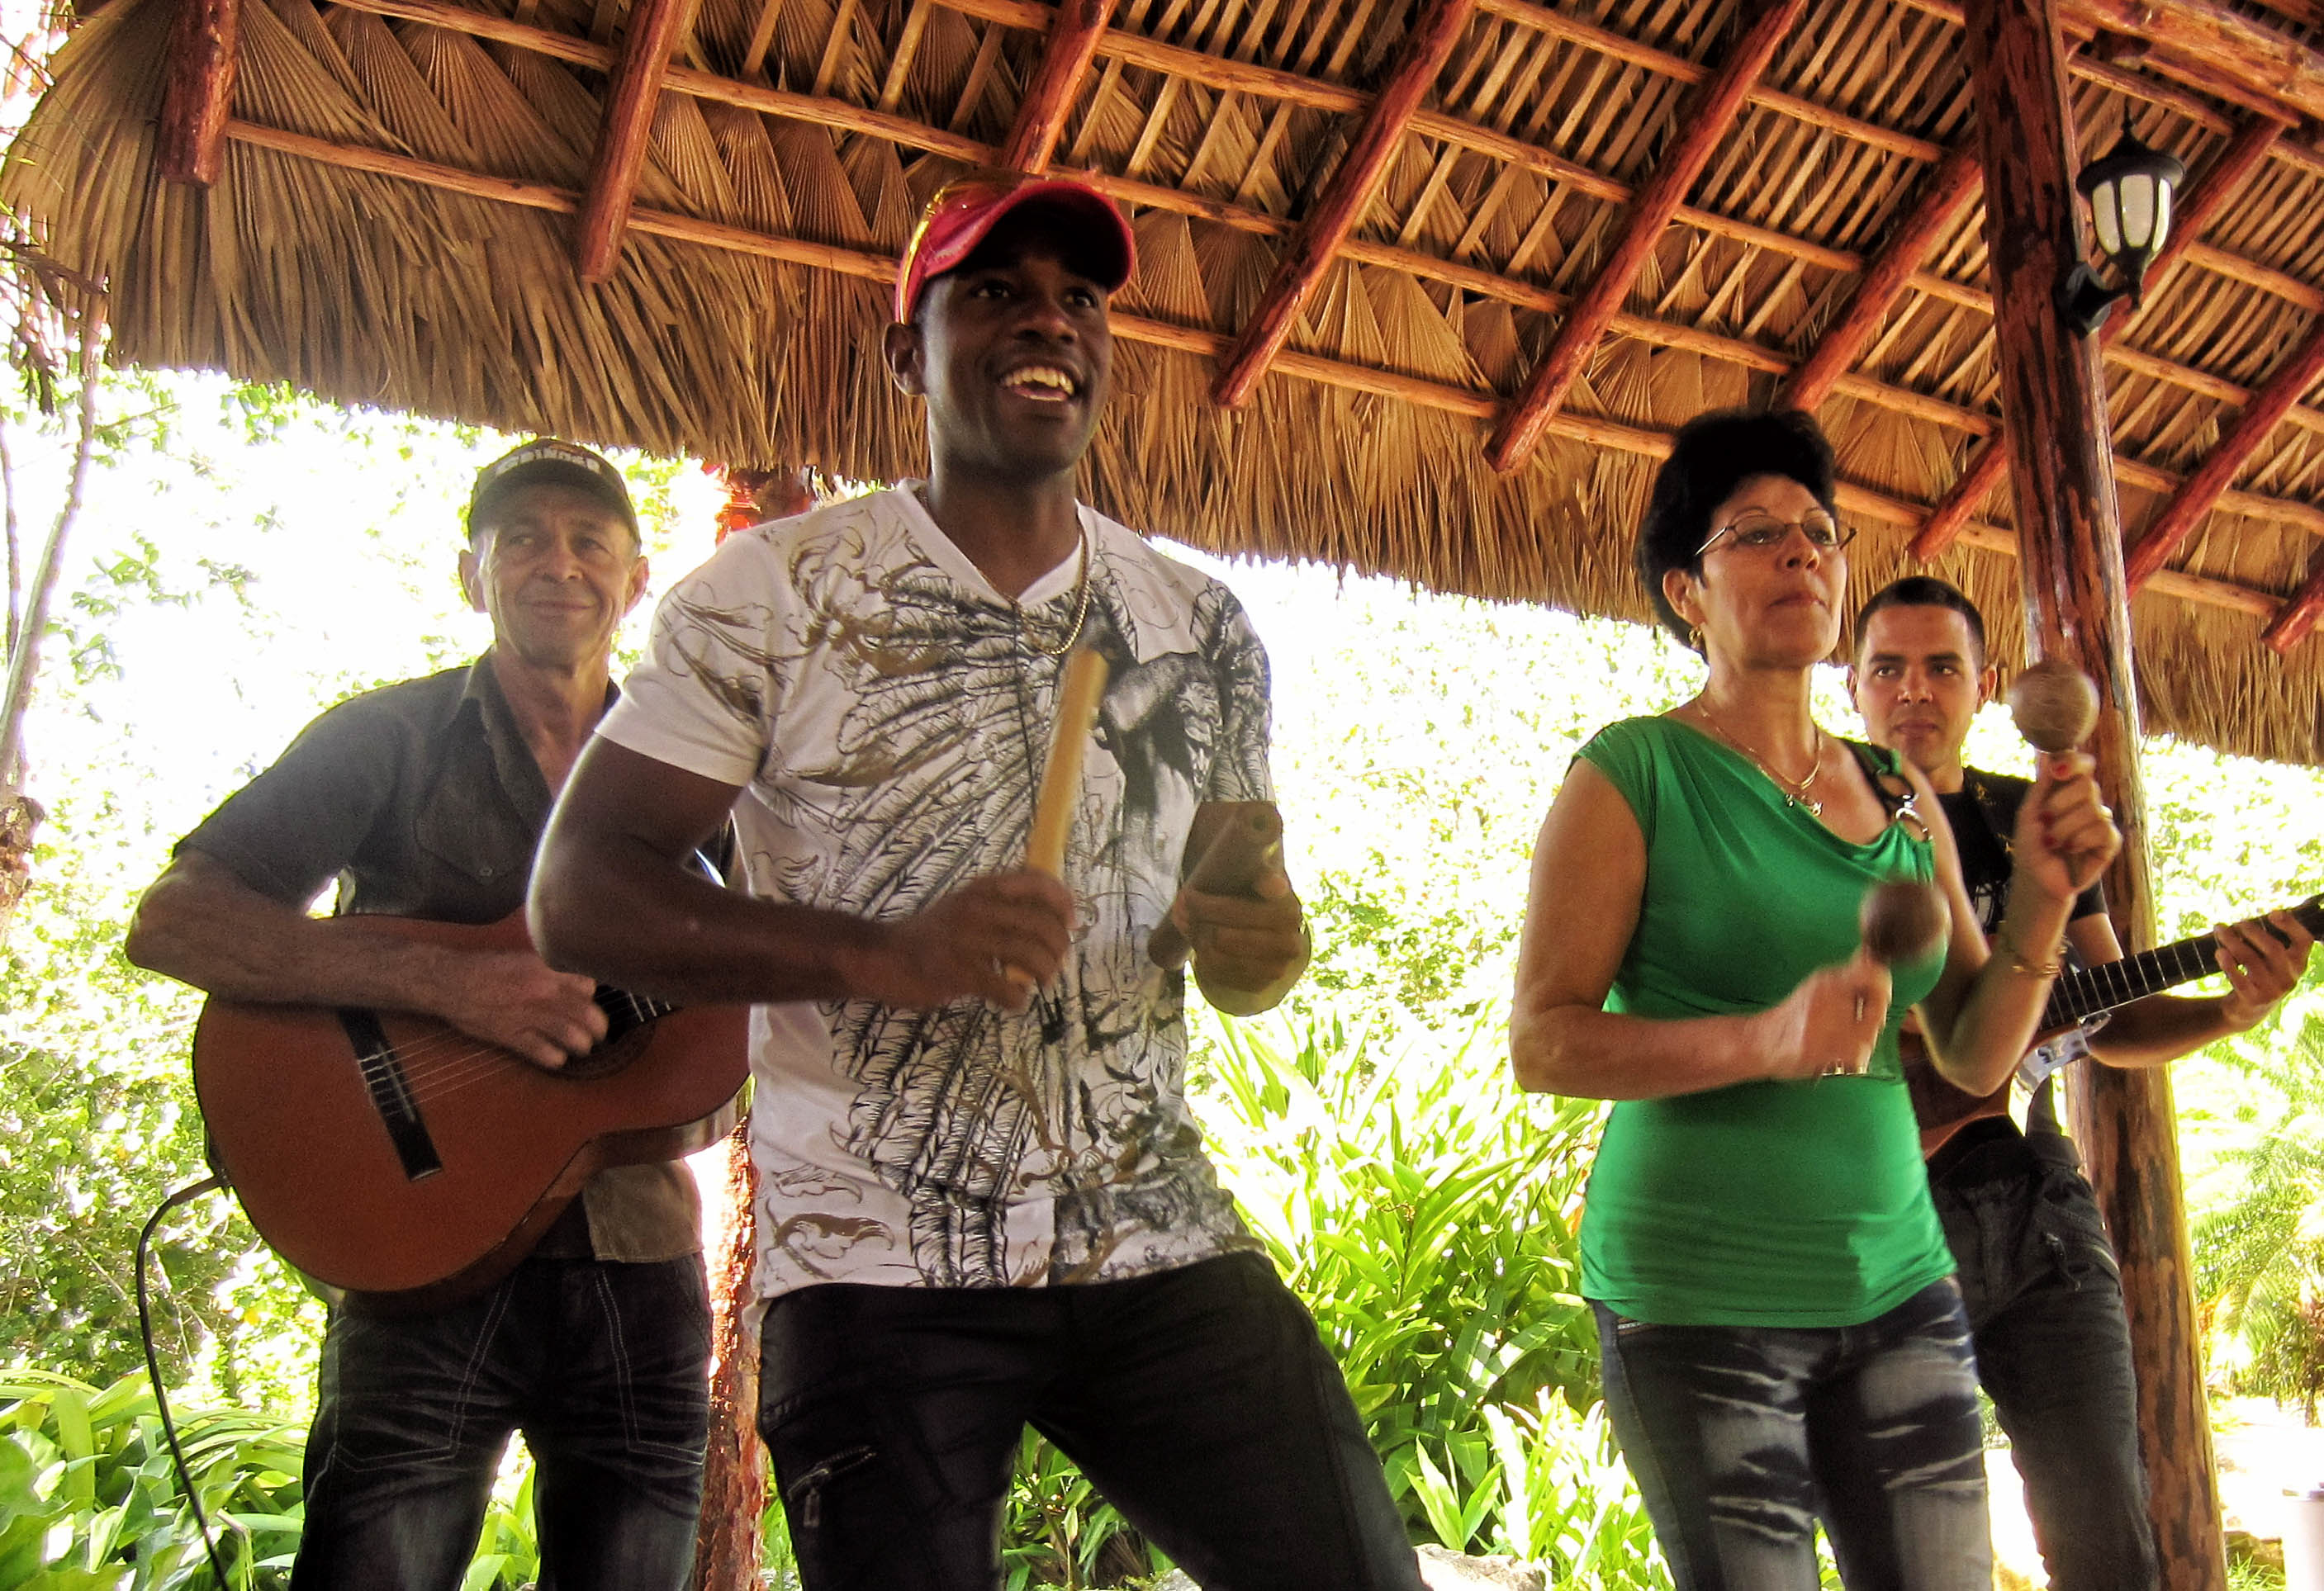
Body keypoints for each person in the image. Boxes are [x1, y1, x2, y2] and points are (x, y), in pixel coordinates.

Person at [526, 172, 1426, 1591]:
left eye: (1077, 297)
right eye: (994, 292)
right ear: (907, 352)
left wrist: (1258, 938)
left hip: (1155, 1238)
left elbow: (1246, 944)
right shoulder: (770, 593)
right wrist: (884, 953)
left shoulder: (1199, 624)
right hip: (878, 1260)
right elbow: (578, 893)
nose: (1045, 320)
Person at [1507, 407, 2122, 1591]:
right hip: (1696, 1304)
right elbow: (1544, 1040)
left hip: (1899, 1282)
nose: (1801, 552)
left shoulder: (1893, 788)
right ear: (1687, 591)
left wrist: (2041, 899)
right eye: (1755, 533)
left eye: (1818, 531)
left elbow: (1977, 1048)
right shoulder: (1631, 770)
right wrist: (1762, 1037)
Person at [125, 440, 710, 1589]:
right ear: (469, 572)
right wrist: (450, 985)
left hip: (640, 1262)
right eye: (523, 537)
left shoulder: (692, 770)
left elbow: (752, 976)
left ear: (634, 580)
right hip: (418, 1244)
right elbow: (175, 921)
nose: (559, 563)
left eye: (590, 540)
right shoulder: (385, 737)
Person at [1849, 575, 2315, 1591]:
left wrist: (2230, 1009)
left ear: (1986, 689)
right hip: (1877, 1212)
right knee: (1919, 1552)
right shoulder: (1819, 817)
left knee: (2109, 1536)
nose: (1915, 691)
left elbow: (2108, 1015)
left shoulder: (2032, 819)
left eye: (1943, 667)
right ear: (1852, 687)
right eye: (1888, 667)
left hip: (2035, 1198)